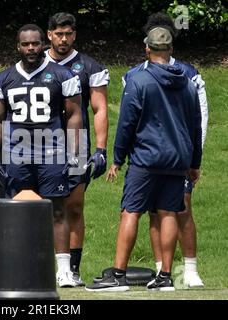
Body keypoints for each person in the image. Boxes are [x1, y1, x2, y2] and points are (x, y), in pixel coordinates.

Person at [86, 26, 202, 292]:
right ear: (171, 50)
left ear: (147, 49)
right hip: (178, 160)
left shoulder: (139, 80)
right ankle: (165, 277)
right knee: (169, 212)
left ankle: (117, 276)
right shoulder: (188, 83)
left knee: (131, 211)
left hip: (147, 157)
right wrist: (194, 163)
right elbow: (195, 127)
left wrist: (117, 158)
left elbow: (127, 122)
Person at [0, 24, 83, 287]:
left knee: (58, 209)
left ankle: (64, 270)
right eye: (25, 44)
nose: (31, 48)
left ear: (44, 44)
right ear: (17, 46)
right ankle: (18, 266)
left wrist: (74, 153)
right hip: (16, 152)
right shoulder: (2, 79)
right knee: (17, 209)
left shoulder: (62, 75)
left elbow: (75, 115)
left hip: (52, 150)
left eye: (35, 43)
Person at [122, 12, 208, 288]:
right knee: (157, 212)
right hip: (159, 157)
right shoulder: (133, 75)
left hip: (171, 156)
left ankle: (190, 270)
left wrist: (194, 156)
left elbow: (200, 120)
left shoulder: (190, 75)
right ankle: (163, 270)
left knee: (180, 209)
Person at [45, 12, 110, 286]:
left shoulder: (89, 66)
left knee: (73, 206)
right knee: (41, 206)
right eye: (59, 34)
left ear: (75, 34)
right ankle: (41, 265)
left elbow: (99, 108)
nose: (63, 39)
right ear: (49, 34)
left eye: (69, 34)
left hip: (76, 145)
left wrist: (101, 148)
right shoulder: (35, 63)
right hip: (40, 143)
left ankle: (72, 268)